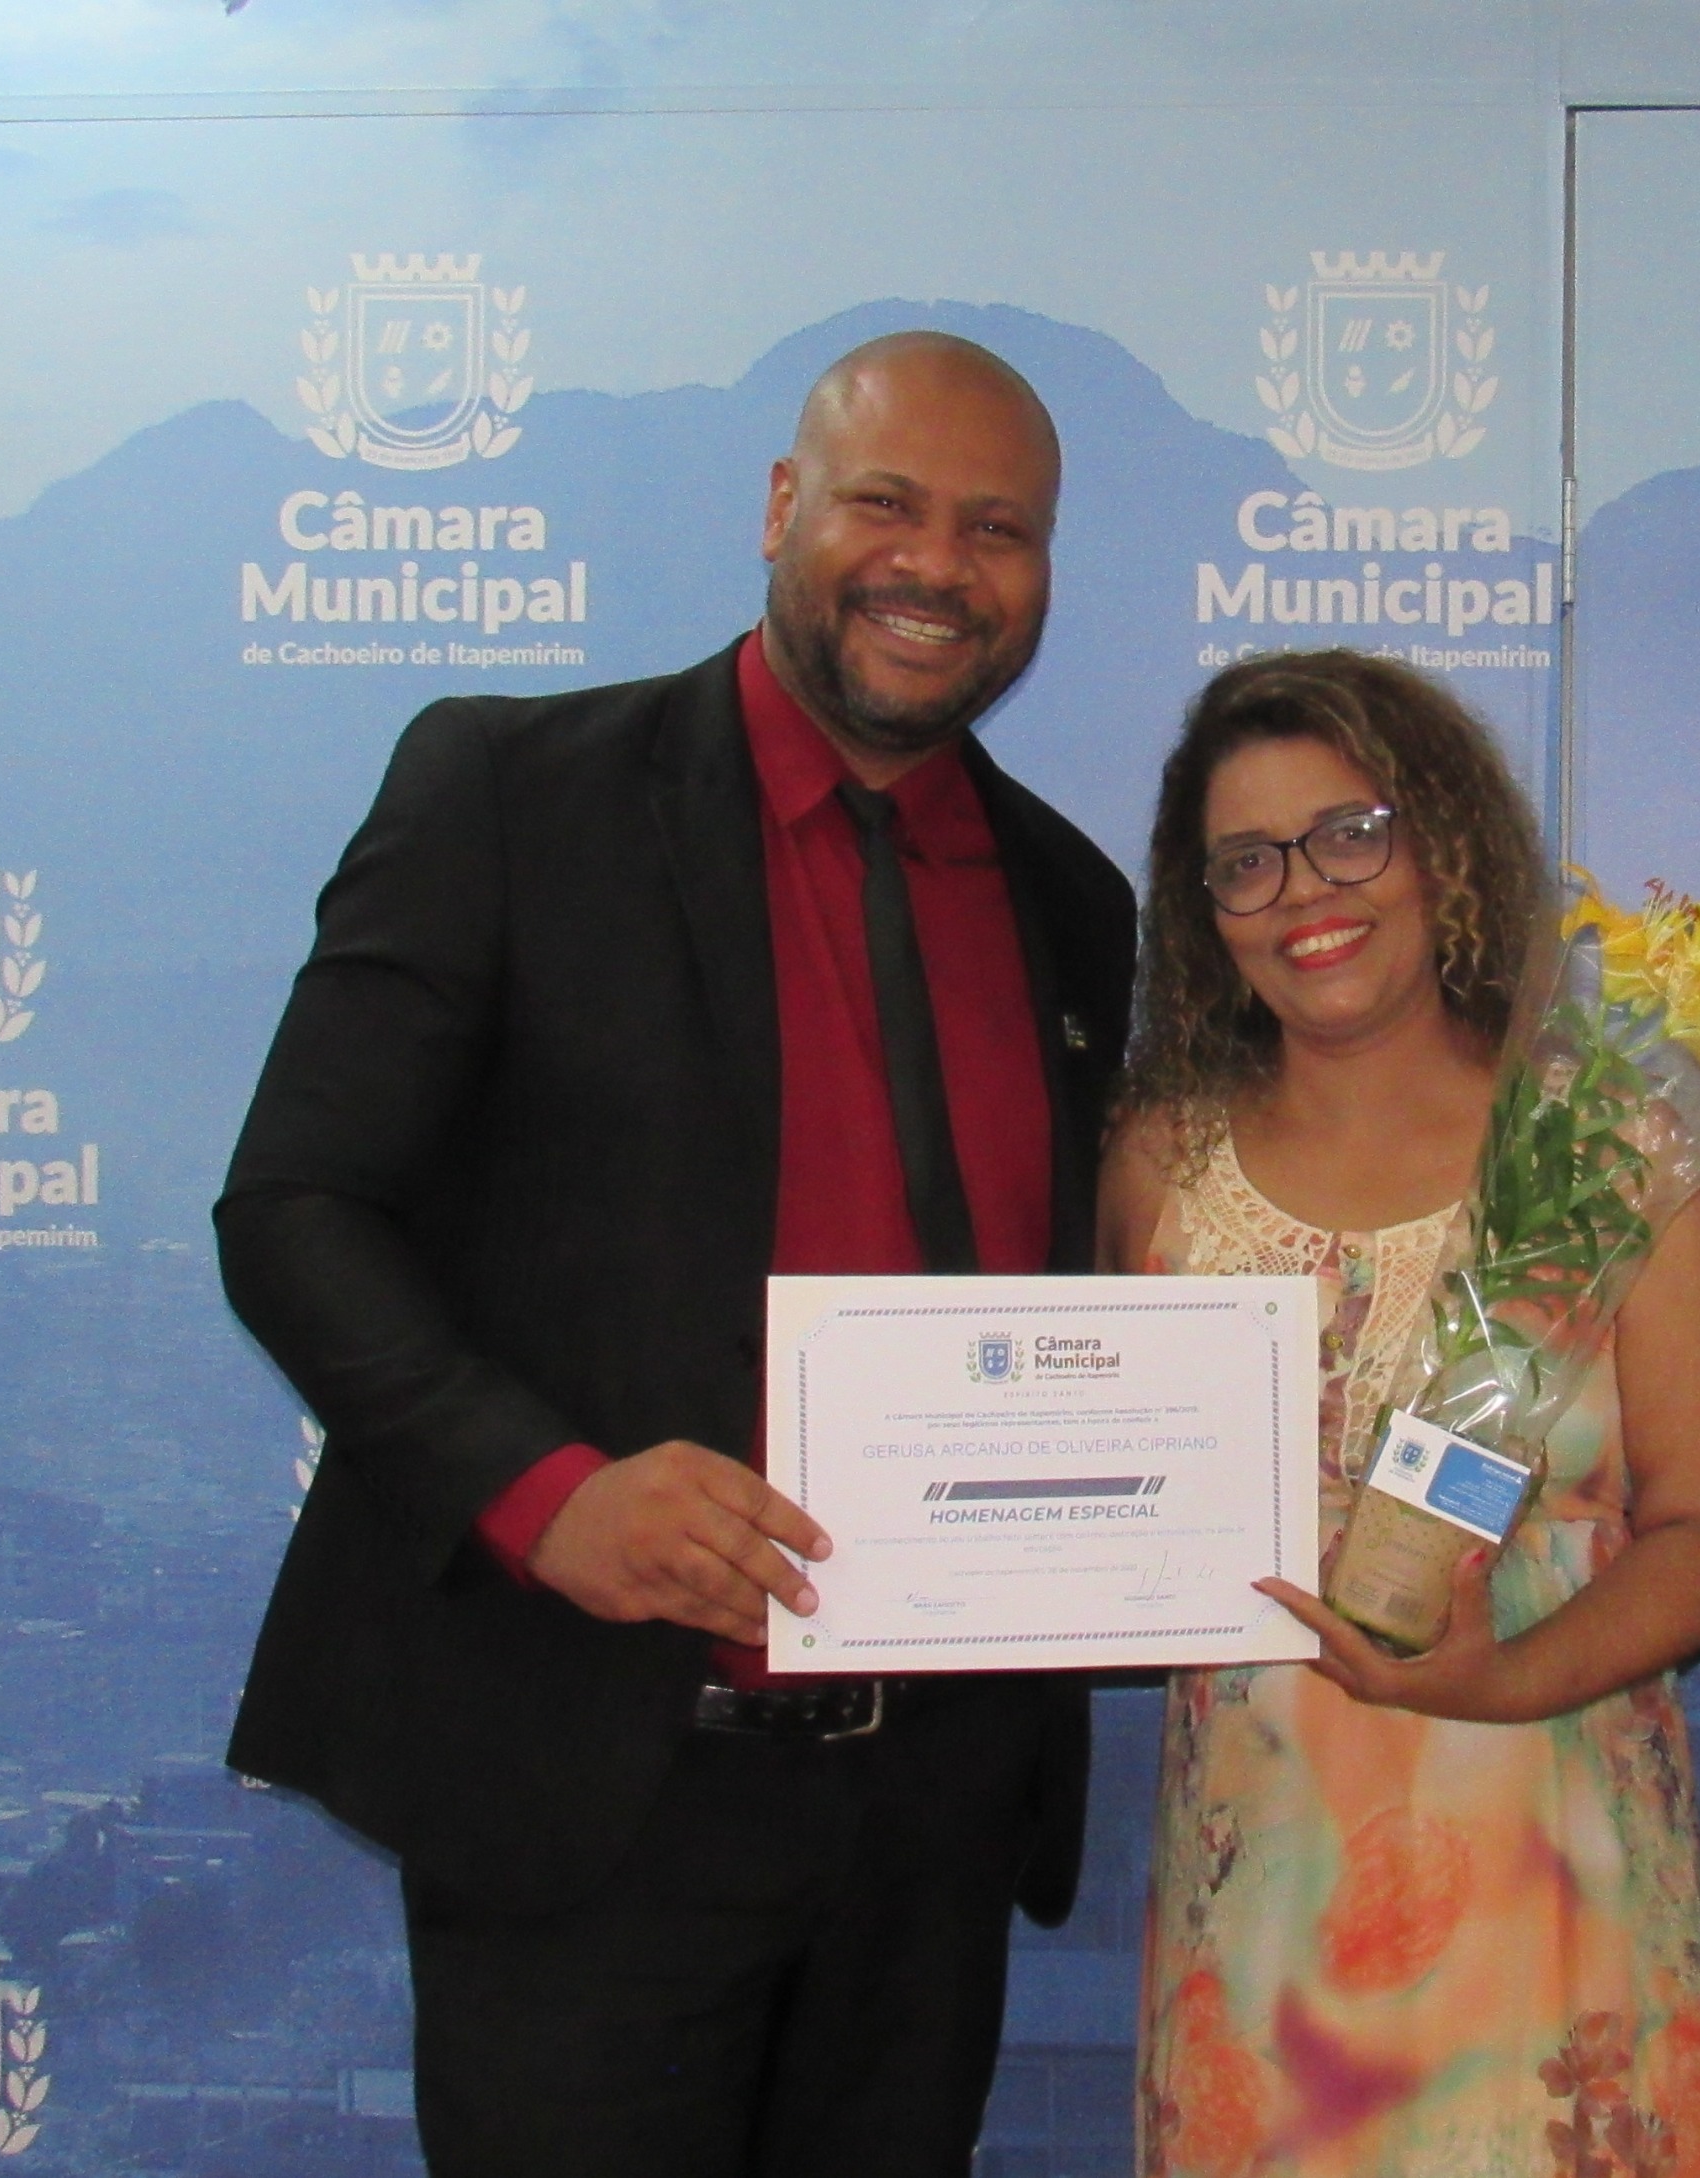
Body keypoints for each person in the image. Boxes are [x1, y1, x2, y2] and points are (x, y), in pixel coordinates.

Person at [216, 330, 1138, 2178]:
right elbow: (295, 1206)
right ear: (783, 506)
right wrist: (547, 1494)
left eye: (999, 528)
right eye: (886, 502)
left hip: (933, 1823)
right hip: (592, 1782)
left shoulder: (1074, 900)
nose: (937, 565)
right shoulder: (510, 790)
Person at [1103, 651, 1700, 2178]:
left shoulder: (1619, 1150)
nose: (1302, 892)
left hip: (1555, 1887)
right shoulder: (1159, 1168)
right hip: (1265, 1935)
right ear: (1204, 910)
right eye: (1246, 862)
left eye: (1351, 834)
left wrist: (1505, 1675)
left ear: (1446, 845)